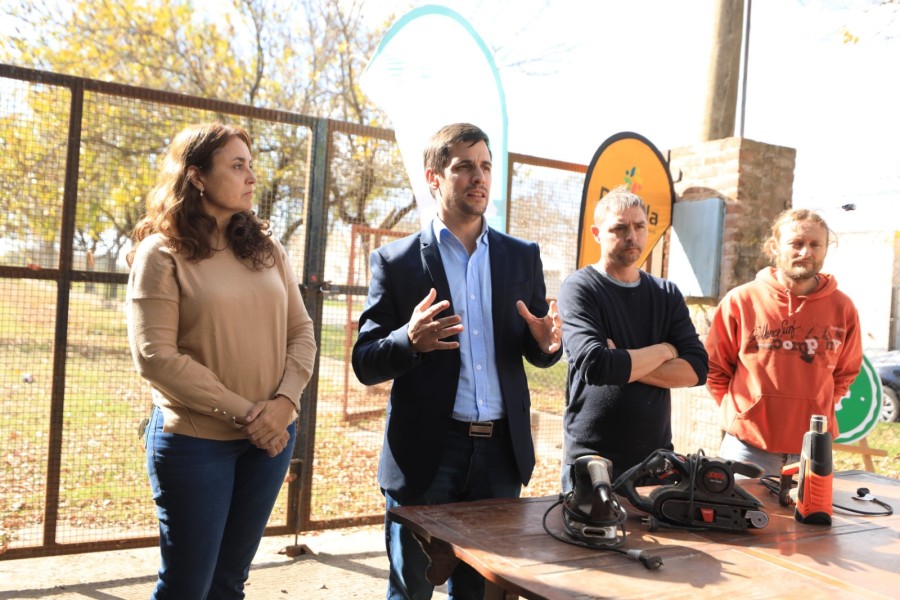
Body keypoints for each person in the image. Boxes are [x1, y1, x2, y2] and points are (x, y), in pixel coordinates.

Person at [352, 122, 562, 600]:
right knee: (410, 591)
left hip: (499, 459)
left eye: (485, 166)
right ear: (434, 178)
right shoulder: (397, 262)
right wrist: (409, 340)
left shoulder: (520, 257)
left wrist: (547, 344)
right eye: (464, 166)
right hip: (429, 454)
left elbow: (535, 349)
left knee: (481, 593)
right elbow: (365, 361)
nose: (478, 177)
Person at [125, 122, 317, 599]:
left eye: (250, 165)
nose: (251, 176)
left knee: (229, 582)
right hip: (196, 445)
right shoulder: (161, 253)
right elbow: (156, 357)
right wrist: (248, 413)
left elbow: (303, 332)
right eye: (237, 166)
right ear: (197, 177)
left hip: (270, 440)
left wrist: (283, 406)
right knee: (188, 586)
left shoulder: (268, 248)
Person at [557, 186, 708, 488]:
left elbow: (697, 370)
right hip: (591, 459)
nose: (632, 236)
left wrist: (623, 360)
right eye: (620, 227)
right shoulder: (580, 288)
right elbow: (597, 366)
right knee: (587, 534)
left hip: (655, 461)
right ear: (597, 233)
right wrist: (667, 349)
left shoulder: (666, 294)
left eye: (640, 226)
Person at [705, 208, 863, 476]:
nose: (806, 252)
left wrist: (816, 407)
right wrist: (743, 415)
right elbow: (715, 368)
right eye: (796, 244)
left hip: (813, 448)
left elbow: (846, 373)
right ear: (774, 247)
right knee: (742, 518)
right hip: (746, 446)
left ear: (826, 249)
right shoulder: (740, 301)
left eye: (815, 245)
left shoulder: (843, 307)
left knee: (808, 518)